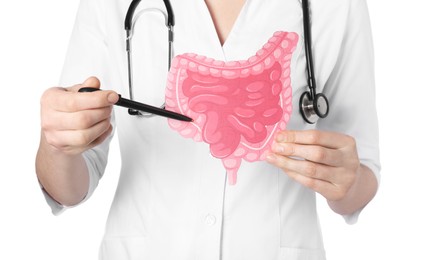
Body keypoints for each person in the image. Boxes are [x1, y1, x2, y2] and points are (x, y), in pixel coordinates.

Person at [36, 0, 380, 259]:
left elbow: (361, 172)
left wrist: (346, 181)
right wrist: (56, 145)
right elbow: (69, 188)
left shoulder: (336, 5)